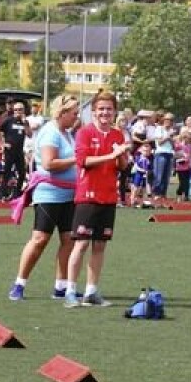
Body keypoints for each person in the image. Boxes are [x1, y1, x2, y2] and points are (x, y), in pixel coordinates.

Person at [7, 94, 79, 301]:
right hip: (49, 194)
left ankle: (61, 286)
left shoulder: (67, 133)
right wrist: (77, 159)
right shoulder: (50, 133)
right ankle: (19, 284)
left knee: (68, 240)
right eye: (73, 113)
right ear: (62, 113)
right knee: (39, 240)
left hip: (69, 194)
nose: (76, 117)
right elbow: (49, 164)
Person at [64, 90, 130, 308]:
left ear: (114, 112)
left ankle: (91, 291)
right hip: (87, 197)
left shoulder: (118, 135)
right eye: (101, 109)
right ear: (93, 112)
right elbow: (82, 161)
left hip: (109, 197)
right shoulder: (84, 133)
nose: (105, 113)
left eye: (109, 109)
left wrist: (121, 155)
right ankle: (70, 291)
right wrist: (111, 155)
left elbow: (122, 166)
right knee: (81, 243)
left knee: (100, 245)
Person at [0, 99, 32, 198]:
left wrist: (25, 123)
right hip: (9, 151)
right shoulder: (9, 120)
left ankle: (18, 193)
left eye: (20, 110)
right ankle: (2, 194)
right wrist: (2, 143)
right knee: (7, 172)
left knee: (22, 173)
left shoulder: (25, 122)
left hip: (19, 151)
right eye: (16, 110)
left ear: (24, 110)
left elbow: (30, 134)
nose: (17, 112)